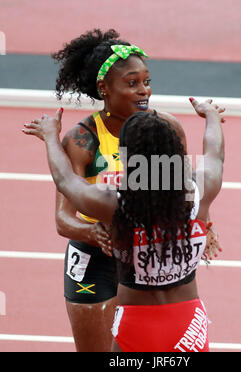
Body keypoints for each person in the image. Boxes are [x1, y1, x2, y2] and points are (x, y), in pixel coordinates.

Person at [22, 94, 225, 352]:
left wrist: (50, 137)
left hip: (136, 324)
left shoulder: (114, 205)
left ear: (128, 157)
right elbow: (215, 152)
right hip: (186, 323)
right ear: (174, 151)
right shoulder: (200, 191)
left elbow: (66, 181)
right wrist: (211, 116)